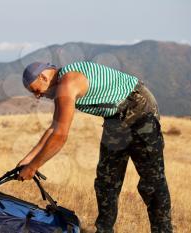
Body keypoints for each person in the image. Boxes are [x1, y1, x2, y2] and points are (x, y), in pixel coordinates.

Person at [16, 61, 173, 233]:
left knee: (152, 182)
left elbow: (60, 135)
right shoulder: (62, 84)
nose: (38, 96)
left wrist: (33, 167)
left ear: (43, 76)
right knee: (106, 181)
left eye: (36, 90)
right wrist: (29, 159)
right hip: (115, 117)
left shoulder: (68, 83)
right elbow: (54, 127)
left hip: (139, 107)